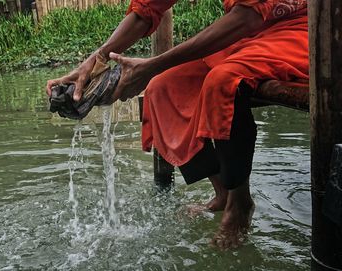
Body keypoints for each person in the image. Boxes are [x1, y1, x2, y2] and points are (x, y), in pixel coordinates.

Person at [46, 0, 308, 249]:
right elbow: (147, 8)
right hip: (249, 38)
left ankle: (239, 203)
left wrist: (152, 66)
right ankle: (223, 193)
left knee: (222, 81)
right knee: (162, 88)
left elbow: (246, 18)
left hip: (303, 33)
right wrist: (98, 58)